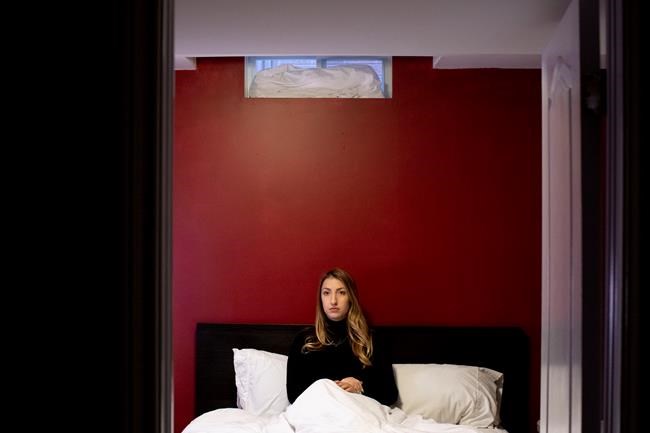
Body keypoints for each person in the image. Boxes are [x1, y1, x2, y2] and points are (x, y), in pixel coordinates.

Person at [286, 267, 398, 406]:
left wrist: (360, 387)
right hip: (318, 413)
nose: (333, 301)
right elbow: (293, 395)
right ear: (321, 298)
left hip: (359, 413)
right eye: (326, 293)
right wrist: (329, 389)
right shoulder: (304, 341)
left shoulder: (372, 340)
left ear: (351, 297)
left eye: (341, 292)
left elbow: (390, 394)